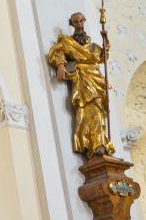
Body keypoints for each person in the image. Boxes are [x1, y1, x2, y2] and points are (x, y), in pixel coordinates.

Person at [47, 12, 115, 158]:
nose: (79, 25)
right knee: (88, 111)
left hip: (96, 78)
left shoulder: (93, 47)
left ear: (84, 22)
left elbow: (103, 56)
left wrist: (105, 39)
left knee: (100, 111)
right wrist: (60, 65)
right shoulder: (67, 42)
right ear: (71, 24)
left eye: (81, 21)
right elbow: (57, 51)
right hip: (82, 78)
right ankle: (95, 144)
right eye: (76, 22)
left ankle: (101, 142)